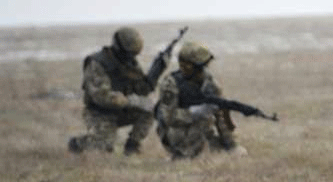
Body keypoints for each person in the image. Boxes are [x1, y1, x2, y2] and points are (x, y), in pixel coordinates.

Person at [68, 26, 156, 155]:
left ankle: (132, 147)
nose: (132, 58)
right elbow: (101, 96)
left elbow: (140, 89)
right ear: (119, 48)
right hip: (98, 112)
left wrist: (153, 77)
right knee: (105, 145)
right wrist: (130, 101)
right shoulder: (97, 63)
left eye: (134, 54)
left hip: (121, 109)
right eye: (129, 54)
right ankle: (77, 144)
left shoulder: (129, 62)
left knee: (149, 109)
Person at [155, 41, 243, 159]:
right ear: (187, 66)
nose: (204, 70)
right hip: (174, 133)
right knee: (204, 120)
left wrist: (232, 145)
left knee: (220, 149)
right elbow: (167, 118)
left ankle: (197, 152)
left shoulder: (210, 84)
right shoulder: (171, 85)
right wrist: (193, 112)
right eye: (200, 67)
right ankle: (180, 155)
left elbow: (222, 115)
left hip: (199, 131)